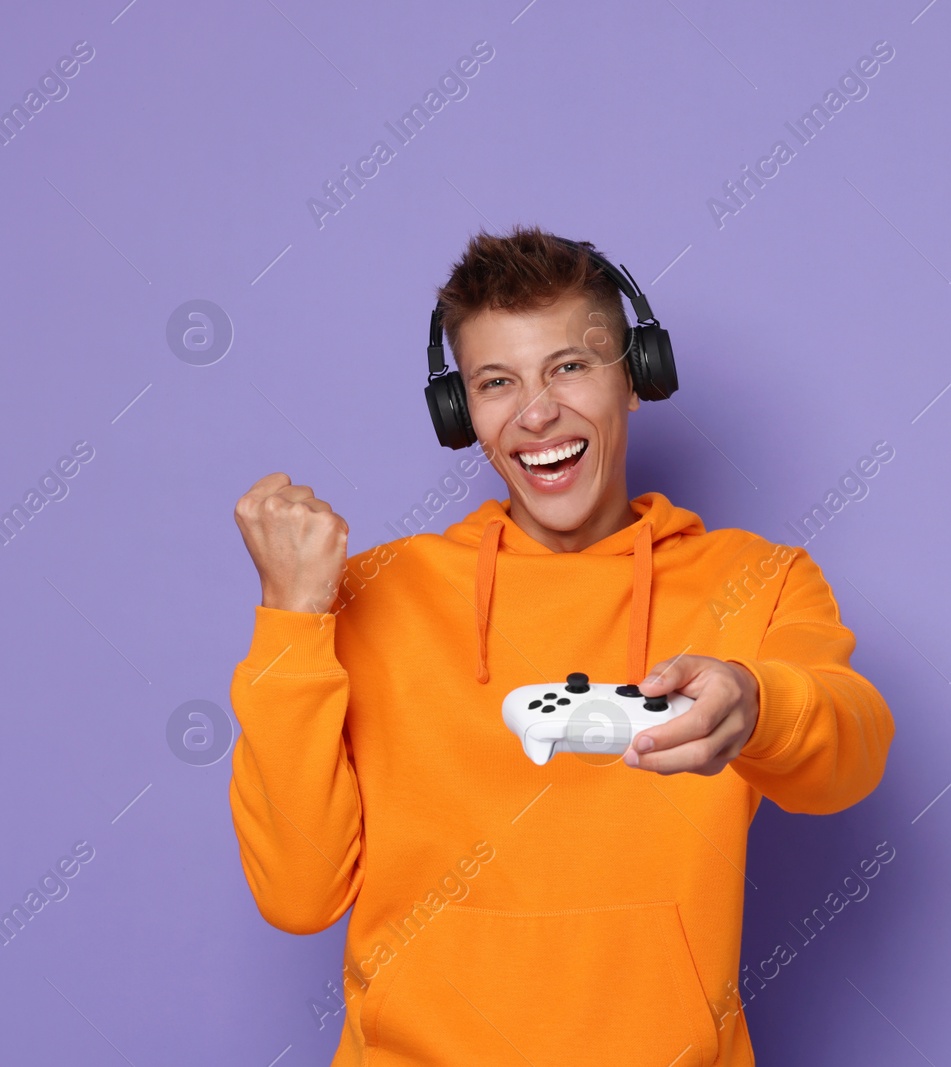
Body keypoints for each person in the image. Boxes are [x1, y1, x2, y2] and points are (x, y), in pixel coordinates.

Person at [226, 224, 895, 1066]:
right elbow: (297, 892)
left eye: (570, 366)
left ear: (637, 380)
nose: (537, 411)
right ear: (461, 412)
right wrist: (292, 617)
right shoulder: (368, 595)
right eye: (496, 381)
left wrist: (758, 705)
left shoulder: (757, 582)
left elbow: (852, 756)